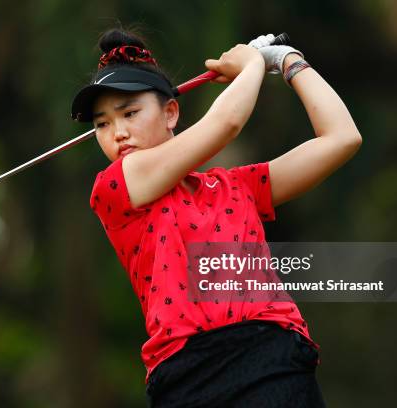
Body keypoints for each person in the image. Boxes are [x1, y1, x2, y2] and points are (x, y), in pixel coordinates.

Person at [71, 26, 361, 407]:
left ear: (171, 111)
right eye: (102, 123)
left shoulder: (237, 187)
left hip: (273, 359)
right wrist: (254, 65)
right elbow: (226, 123)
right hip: (188, 376)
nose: (118, 133)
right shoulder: (116, 187)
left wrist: (287, 61)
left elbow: (341, 138)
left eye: (129, 113)